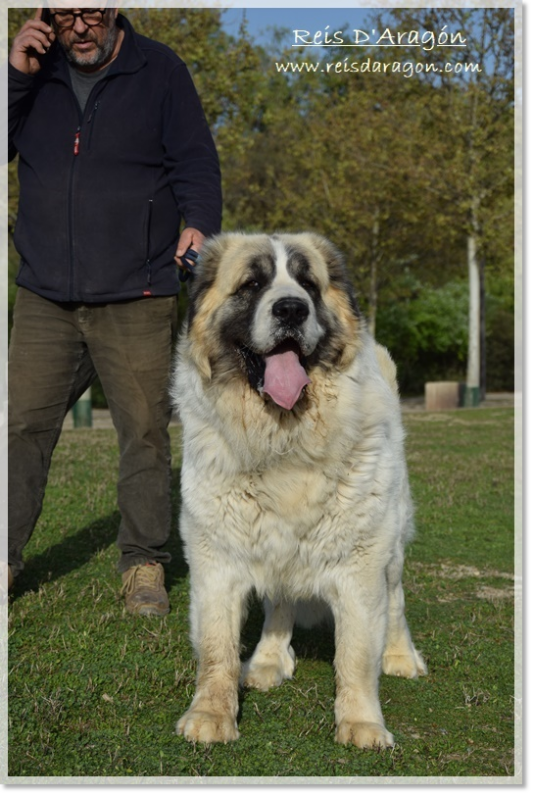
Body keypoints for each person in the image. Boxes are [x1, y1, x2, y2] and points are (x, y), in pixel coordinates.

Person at [7, 7, 222, 615]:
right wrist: (15, 77)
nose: (81, 25)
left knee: (145, 433)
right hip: (46, 292)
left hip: (139, 290)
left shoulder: (161, 70)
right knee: (21, 429)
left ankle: (144, 564)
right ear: (46, 15)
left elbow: (196, 162)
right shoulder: (31, 71)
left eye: (93, 12)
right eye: (66, 13)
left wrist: (200, 224)